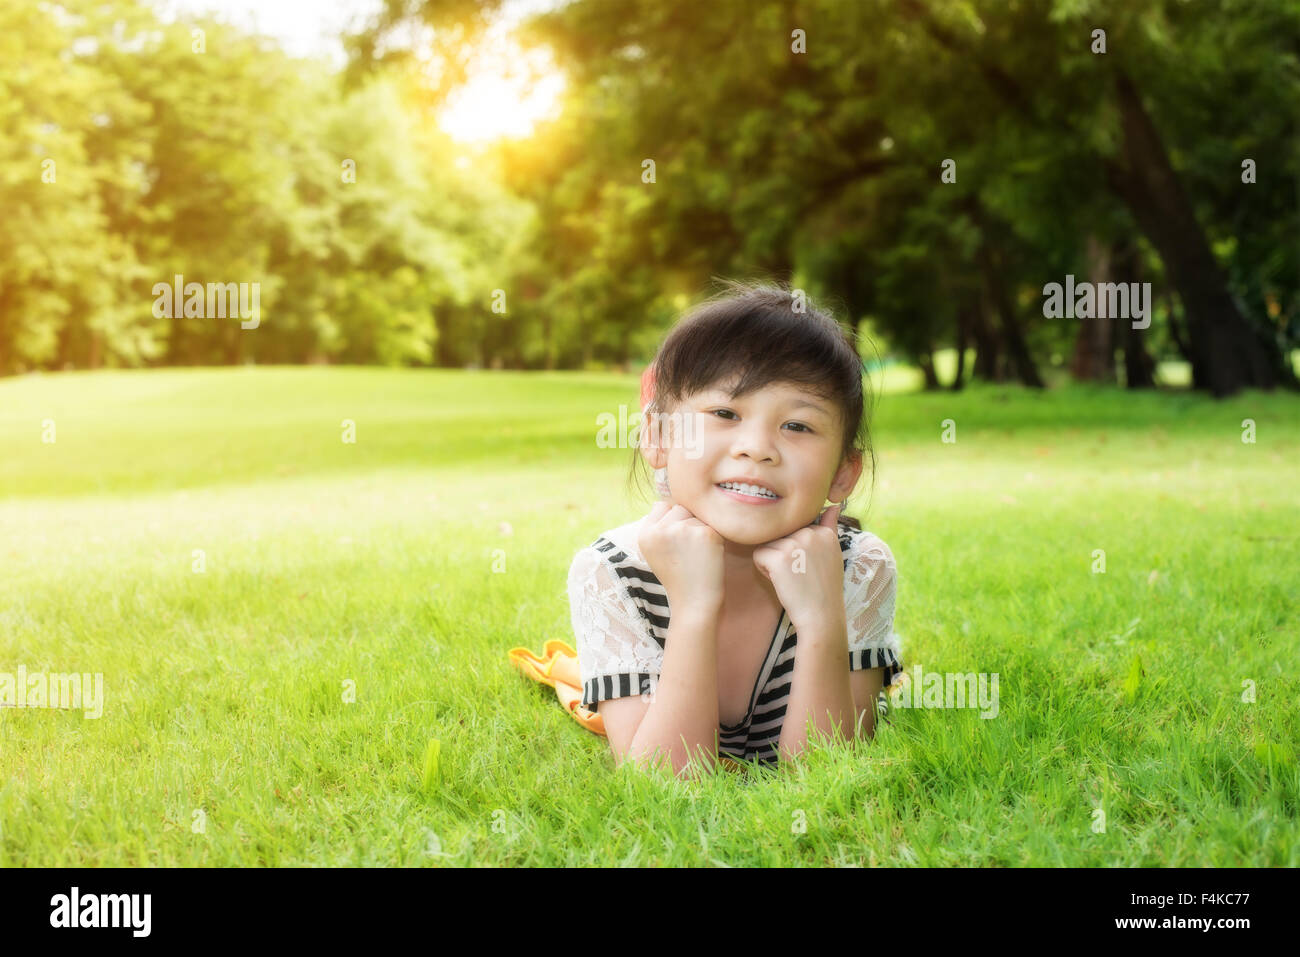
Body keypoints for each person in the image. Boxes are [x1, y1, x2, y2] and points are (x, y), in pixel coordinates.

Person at [566, 280, 902, 779]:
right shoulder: (612, 573)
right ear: (658, 437)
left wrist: (819, 617)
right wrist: (695, 607)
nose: (756, 447)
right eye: (724, 413)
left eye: (798, 426)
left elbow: (824, 776)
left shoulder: (857, 568)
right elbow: (665, 782)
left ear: (842, 473)